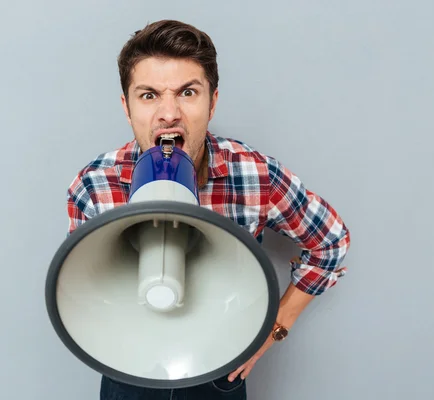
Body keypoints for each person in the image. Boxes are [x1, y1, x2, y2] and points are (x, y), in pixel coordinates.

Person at [65, 19, 351, 400]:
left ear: (212, 102)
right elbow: (85, 289)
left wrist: (276, 326)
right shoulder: (94, 185)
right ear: (127, 106)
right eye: (148, 95)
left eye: (187, 92)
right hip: (128, 368)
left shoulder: (253, 173)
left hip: (219, 369)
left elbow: (330, 243)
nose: (168, 114)